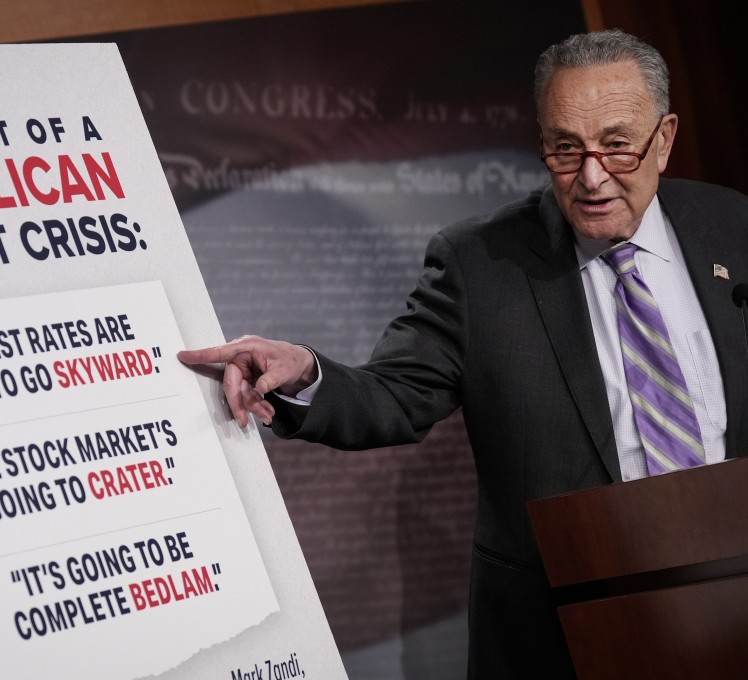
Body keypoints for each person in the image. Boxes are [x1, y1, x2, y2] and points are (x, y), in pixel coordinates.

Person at [178, 29, 748, 678]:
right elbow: (397, 392)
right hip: (562, 628)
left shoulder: (731, 227)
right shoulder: (480, 263)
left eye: (617, 146)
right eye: (565, 149)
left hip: (729, 598)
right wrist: (307, 372)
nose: (591, 177)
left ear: (664, 138)